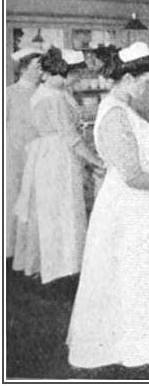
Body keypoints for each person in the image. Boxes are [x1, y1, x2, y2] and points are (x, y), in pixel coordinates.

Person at [67, 41, 149, 370]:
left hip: (131, 205)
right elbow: (134, 175)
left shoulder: (121, 108)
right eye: (147, 81)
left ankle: (137, 347)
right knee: (127, 278)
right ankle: (126, 351)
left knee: (133, 277)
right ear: (128, 77)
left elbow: (140, 155)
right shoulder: (114, 115)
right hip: (123, 207)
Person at [12, 47, 104, 284]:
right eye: (76, 74)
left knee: (54, 210)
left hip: (49, 154)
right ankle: (62, 265)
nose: (78, 79)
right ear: (65, 72)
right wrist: (96, 161)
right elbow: (70, 137)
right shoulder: (53, 97)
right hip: (56, 157)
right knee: (60, 210)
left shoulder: (52, 91)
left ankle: (59, 263)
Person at [6, 48, 43, 259]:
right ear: (24, 68)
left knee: (35, 202)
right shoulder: (9, 93)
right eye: (37, 66)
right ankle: (10, 251)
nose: (41, 70)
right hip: (14, 156)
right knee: (14, 200)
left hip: (39, 155)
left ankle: (31, 252)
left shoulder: (44, 92)